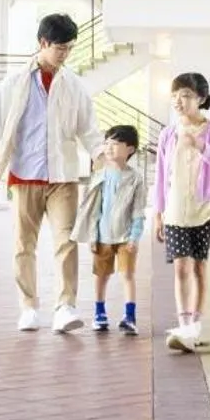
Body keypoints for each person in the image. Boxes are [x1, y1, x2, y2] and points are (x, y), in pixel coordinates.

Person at [0, 12, 105, 334]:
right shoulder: (14, 83)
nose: (65, 54)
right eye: (60, 48)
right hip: (24, 175)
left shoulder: (74, 85)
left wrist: (100, 154)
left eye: (69, 48)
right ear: (43, 43)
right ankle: (28, 307)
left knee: (66, 241)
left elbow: (88, 128)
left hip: (62, 177)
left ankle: (65, 307)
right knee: (24, 245)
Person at [151, 71, 210, 352]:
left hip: (203, 209)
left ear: (201, 99)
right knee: (181, 266)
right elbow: (160, 175)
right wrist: (158, 213)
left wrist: (200, 144)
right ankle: (184, 325)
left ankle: (195, 324)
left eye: (185, 95)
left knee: (198, 266)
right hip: (174, 210)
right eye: (174, 96)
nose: (178, 101)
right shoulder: (167, 134)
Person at [74, 123, 147, 334]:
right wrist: (92, 236)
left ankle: (130, 317)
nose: (108, 148)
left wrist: (134, 237)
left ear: (130, 149)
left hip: (126, 238)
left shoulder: (135, 179)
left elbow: (138, 210)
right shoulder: (99, 176)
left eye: (115, 144)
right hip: (102, 237)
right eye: (106, 143)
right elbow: (94, 210)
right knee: (101, 275)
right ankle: (99, 313)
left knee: (128, 275)